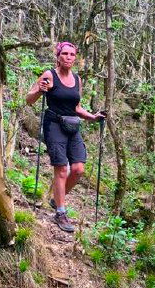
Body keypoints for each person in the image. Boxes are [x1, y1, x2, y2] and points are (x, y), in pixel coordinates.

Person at [26, 42, 104, 232]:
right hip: (54, 124)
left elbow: (76, 108)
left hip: (72, 126)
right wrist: (39, 90)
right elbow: (29, 100)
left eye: (72, 54)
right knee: (61, 168)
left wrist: (93, 117)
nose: (69, 57)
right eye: (65, 54)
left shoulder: (77, 79)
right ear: (58, 56)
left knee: (78, 169)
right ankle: (60, 212)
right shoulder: (49, 75)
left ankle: (56, 198)